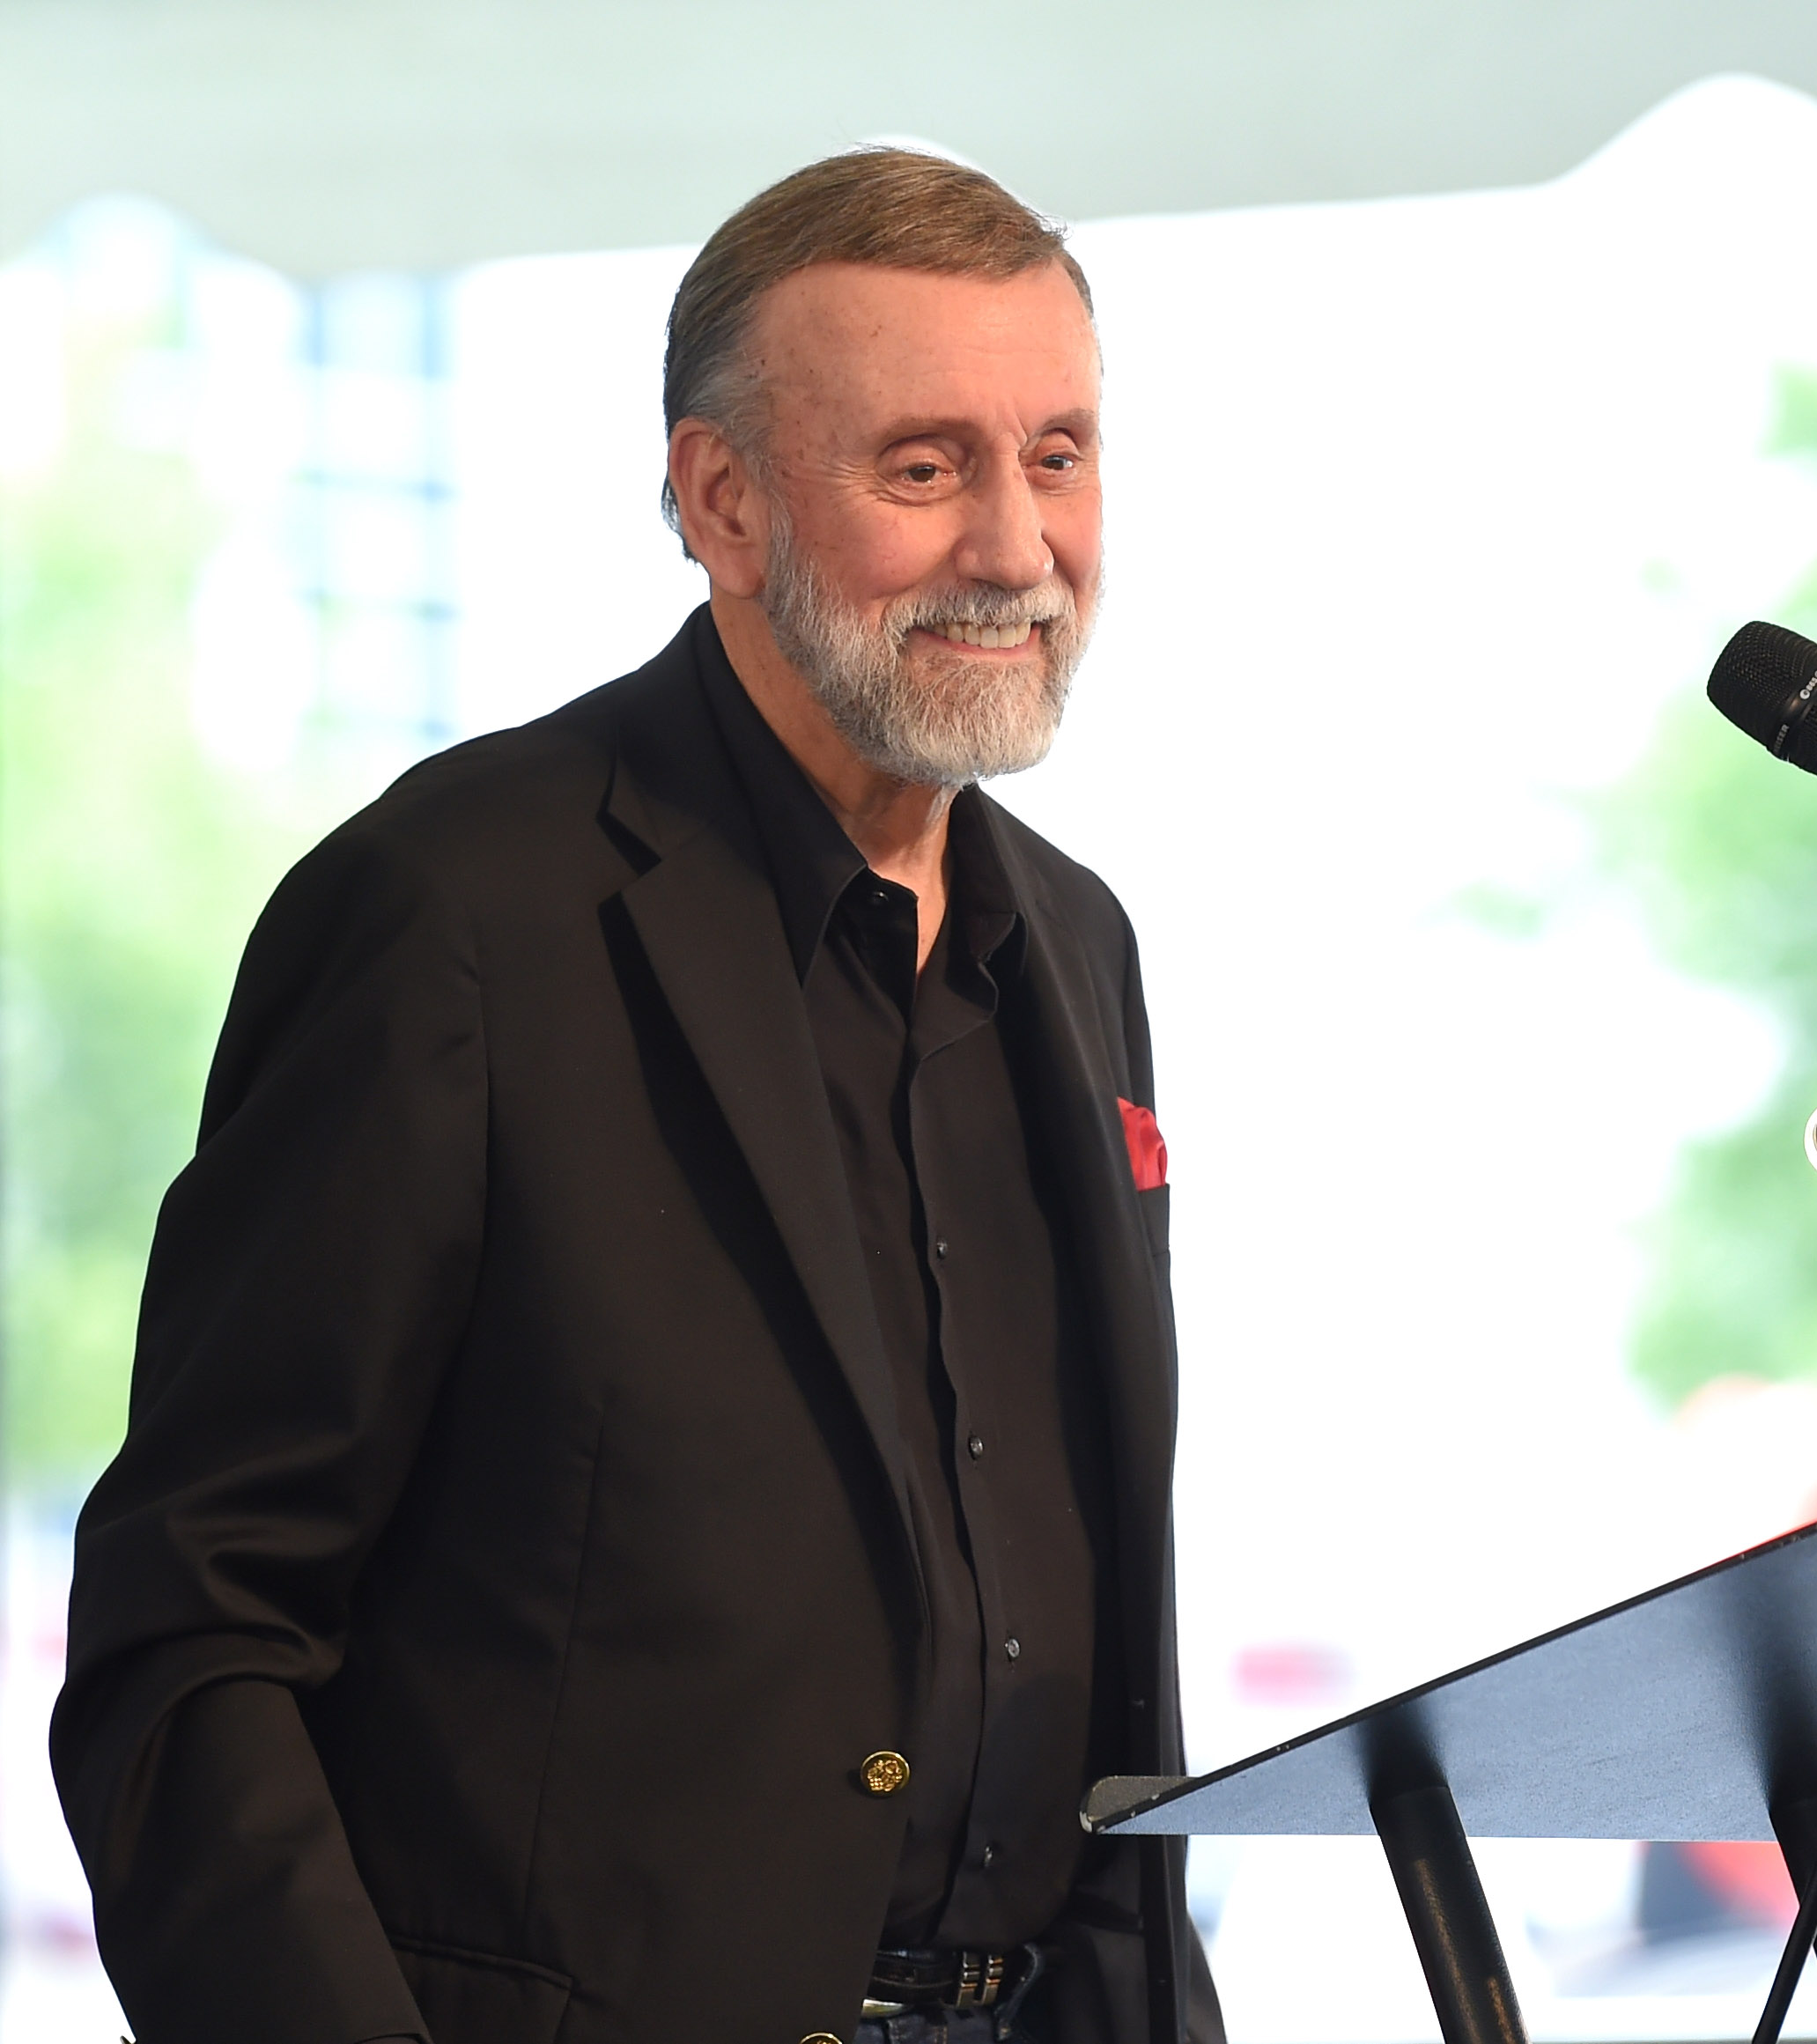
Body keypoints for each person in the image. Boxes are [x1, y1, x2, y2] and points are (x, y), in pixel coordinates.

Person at [52, 149, 1220, 2044]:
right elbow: (190, 1638)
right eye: (925, 468)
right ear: (724, 500)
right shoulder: (454, 912)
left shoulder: (1077, 948)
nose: (1016, 547)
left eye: (1059, 456)